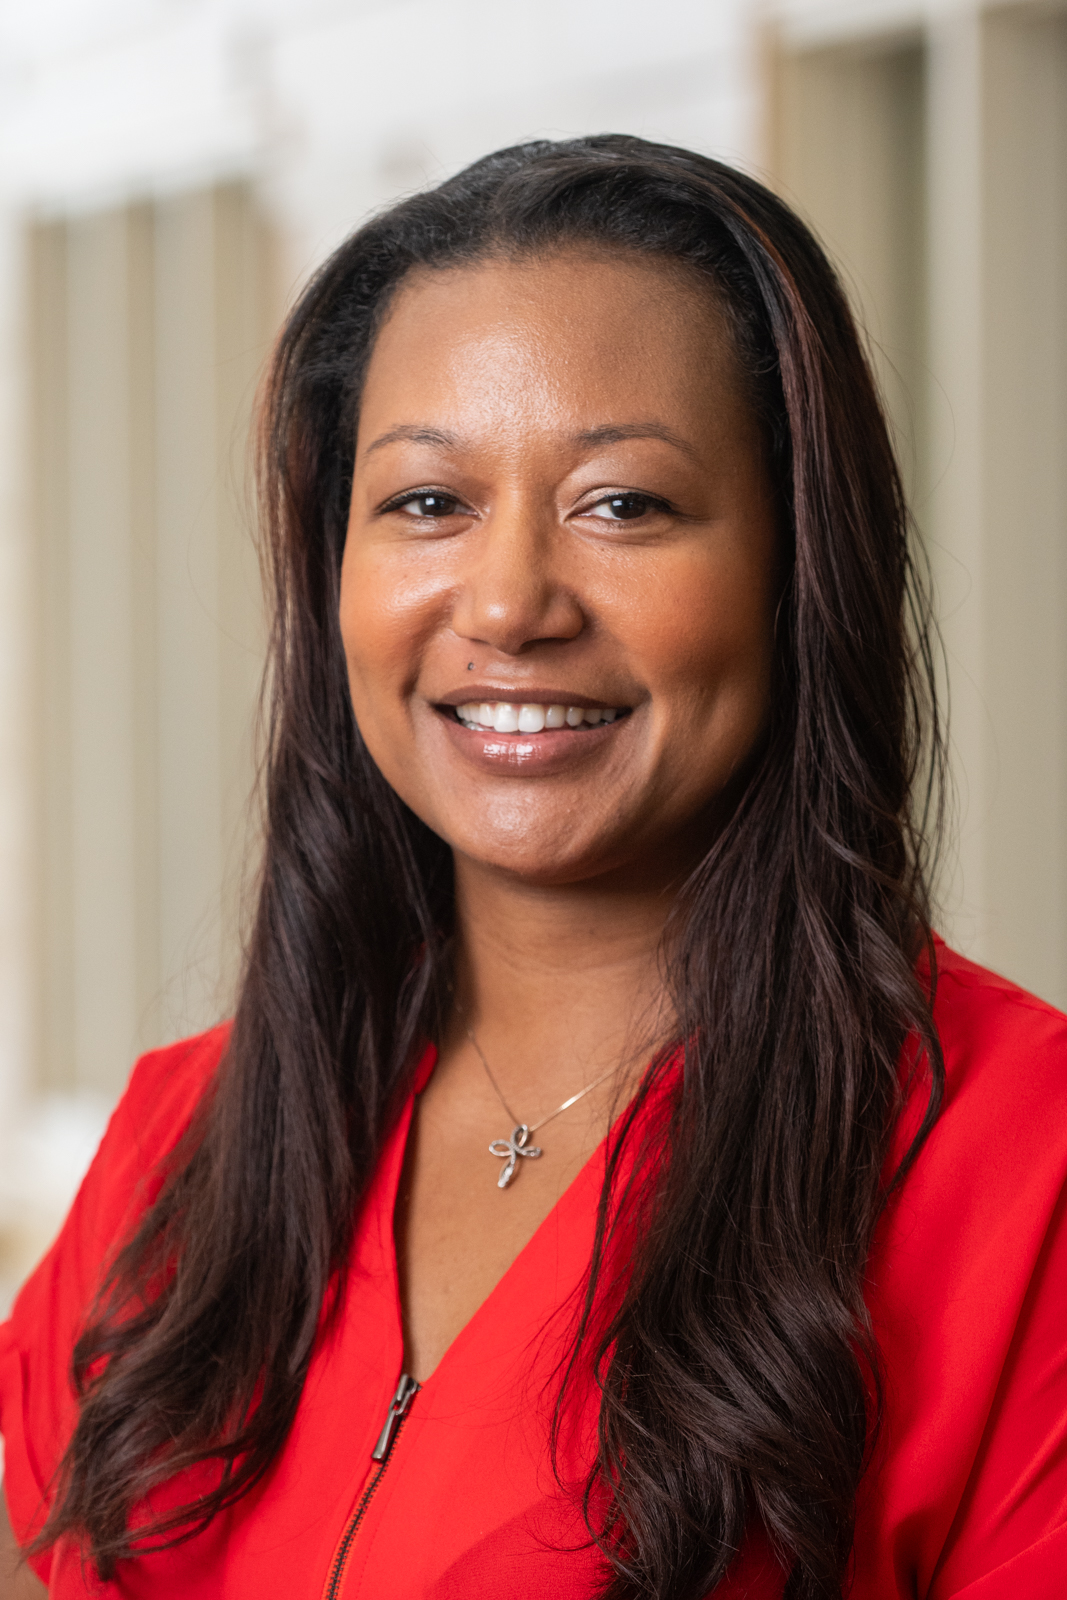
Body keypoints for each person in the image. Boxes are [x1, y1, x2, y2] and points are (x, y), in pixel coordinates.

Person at [2, 135, 1065, 1600]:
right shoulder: (179, 1150)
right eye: (427, 504)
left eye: (622, 504)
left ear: (796, 562)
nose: (506, 602)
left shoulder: (1026, 1170)